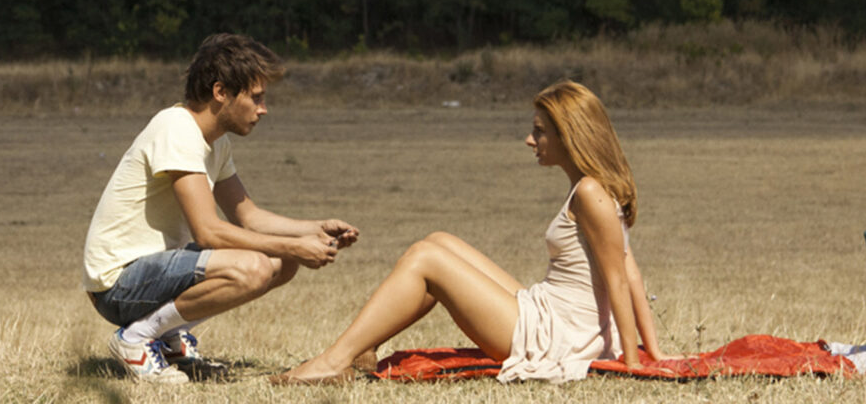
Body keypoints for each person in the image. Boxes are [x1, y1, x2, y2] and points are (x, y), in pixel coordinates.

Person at [273, 79, 670, 385]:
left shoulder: (589, 193)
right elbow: (629, 270)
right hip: (551, 314)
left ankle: (333, 361)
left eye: (539, 131)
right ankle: (365, 346)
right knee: (439, 241)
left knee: (426, 259)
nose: (529, 140)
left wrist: (635, 362)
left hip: (557, 335)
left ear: (569, 136)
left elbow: (621, 279)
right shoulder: (592, 188)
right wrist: (652, 352)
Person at [81, 33, 359, 384]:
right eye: (256, 97)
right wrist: (294, 245)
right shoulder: (177, 129)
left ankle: (168, 338)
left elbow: (248, 217)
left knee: (282, 262)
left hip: (153, 273)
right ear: (220, 92)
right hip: (117, 287)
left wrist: (315, 230)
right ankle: (136, 338)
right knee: (255, 267)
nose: (263, 109)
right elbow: (208, 232)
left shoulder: (216, 142)